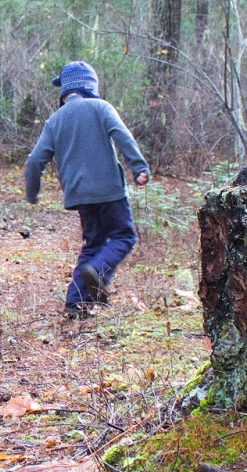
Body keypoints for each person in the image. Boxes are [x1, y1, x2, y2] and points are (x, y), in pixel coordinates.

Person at [23, 60, 151, 315]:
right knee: (124, 237)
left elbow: (35, 160)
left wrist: (32, 192)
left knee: (93, 244)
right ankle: (97, 274)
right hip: (110, 191)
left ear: (64, 91)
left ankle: (75, 302)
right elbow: (122, 136)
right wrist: (139, 168)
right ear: (91, 86)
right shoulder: (100, 107)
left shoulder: (55, 120)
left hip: (79, 196)